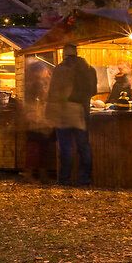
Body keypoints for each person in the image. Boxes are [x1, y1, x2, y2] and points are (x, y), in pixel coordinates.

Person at [47, 42, 97, 186]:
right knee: (84, 146)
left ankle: (65, 179)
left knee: (65, 146)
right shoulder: (89, 69)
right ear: (76, 52)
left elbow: (53, 92)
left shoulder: (60, 69)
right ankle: (84, 179)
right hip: (82, 110)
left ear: (64, 53)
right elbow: (93, 91)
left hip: (64, 110)